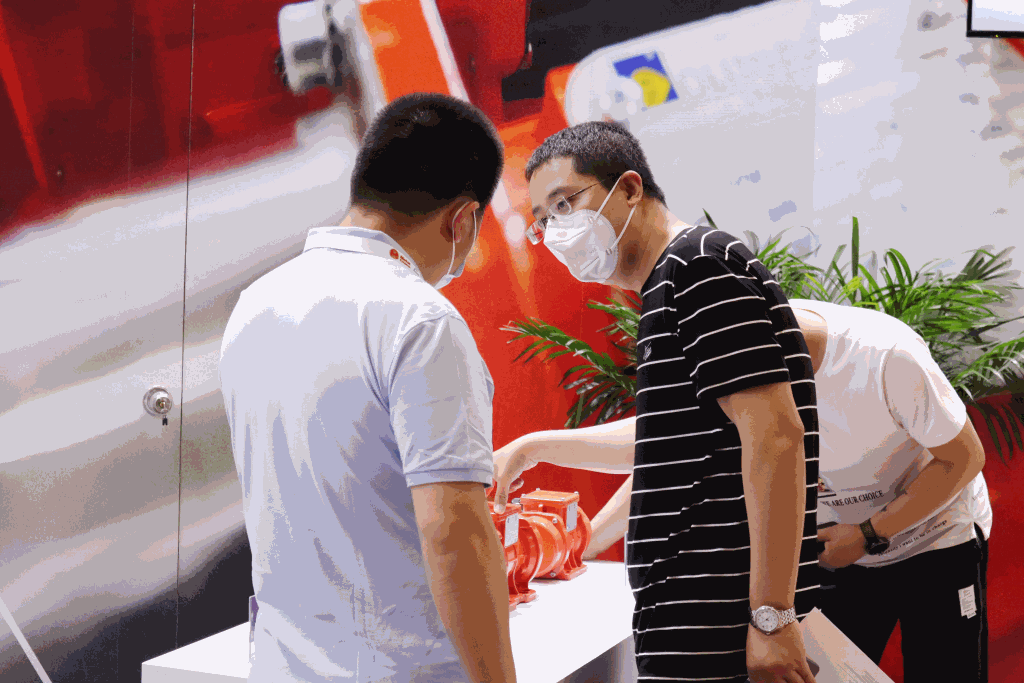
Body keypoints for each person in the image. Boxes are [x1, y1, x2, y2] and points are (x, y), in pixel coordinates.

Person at [492, 120, 821, 683]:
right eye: (544, 221)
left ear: (628, 188)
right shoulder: (670, 284)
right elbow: (666, 440)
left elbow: (775, 437)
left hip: (720, 618)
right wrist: (531, 447)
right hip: (691, 615)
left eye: (565, 204)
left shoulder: (698, 268)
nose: (557, 231)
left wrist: (771, 616)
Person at [218, 93, 515, 683]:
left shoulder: (255, 304)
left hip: (281, 666)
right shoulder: (420, 320)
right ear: (461, 220)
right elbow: (453, 531)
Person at [578, 299, 992, 682]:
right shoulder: (732, 369)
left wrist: (869, 532)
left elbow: (964, 457)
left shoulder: (884, 356)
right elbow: (668, 455)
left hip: (934, 535)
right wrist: (585, 543)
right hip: (836, 547)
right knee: (825, 676)